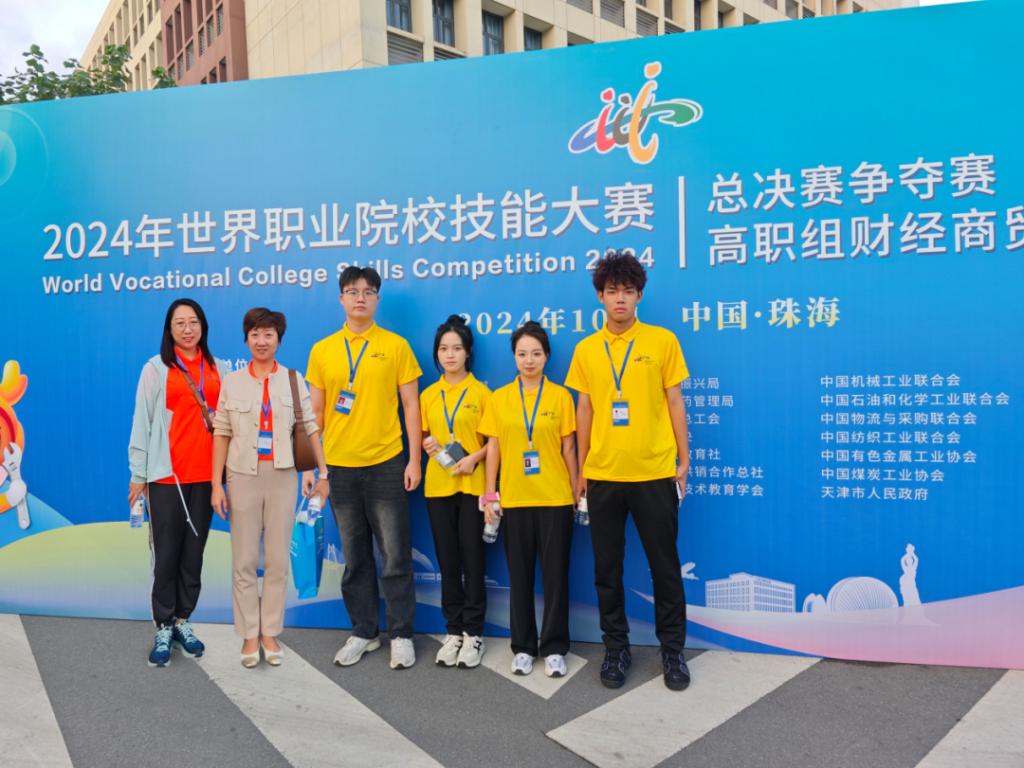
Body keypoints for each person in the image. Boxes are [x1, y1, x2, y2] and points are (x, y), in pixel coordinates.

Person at [564, 250, 692, 691]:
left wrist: (684, 461)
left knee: (665, 567)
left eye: (628, 291)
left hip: (654, 473)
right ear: (600, 296)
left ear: (640, 295)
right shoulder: (586, 349)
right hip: (603, 475)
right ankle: (615, 649)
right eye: (612, 291)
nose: (620, 299)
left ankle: (672, 651)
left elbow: (675, 401)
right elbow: (584, 409)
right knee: (607, 570)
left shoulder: (662, 341)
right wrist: (582, 470)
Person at [305, 266, 423, 670]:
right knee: (355, 557)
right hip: (339, 467)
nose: (360, 298)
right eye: (353, 291)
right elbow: (316, 413)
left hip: (387, 462)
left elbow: (411, 405)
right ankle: (364, 631)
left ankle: (402, 634)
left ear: (377, 299)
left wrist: (414, 459)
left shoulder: (396, 346)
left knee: (395, 555)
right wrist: (311, 467)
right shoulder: (323, 350)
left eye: (368, 291)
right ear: (341, 298)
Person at [211, 308, 329, 668]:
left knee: (277, 560)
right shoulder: (232, 382)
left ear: (278, 339)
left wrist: (322, 473)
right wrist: (216, 484)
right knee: (244, 560)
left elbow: (311, 428)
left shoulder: (293, 379)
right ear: (246, 339)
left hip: (283, 476)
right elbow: (221, 433)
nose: (262, 341)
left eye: (269, 334)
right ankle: (249, 634)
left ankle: (270, 632)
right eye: (255, 334)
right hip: (241, 476)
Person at [128, 298, 228, 668]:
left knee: (193, 554)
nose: (188, 329)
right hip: (166, 477)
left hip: (206, 477)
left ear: (203, 326)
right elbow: (142, 422)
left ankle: (183, 619)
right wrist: (139, 475)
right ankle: (163, 624)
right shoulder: (156, 369)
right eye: (180, 323)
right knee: (166, 554)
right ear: (169, 330)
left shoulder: (217, 368)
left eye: (193, 322)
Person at [479, 321, 578, 678]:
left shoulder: (561, 397)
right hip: (515, 499)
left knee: (555, 577)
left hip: (555, 498)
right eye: (522, 354)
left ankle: (554, 648)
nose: (529, 360)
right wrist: (490, 493)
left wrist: (577, 488)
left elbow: (569, 448)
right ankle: (522, 647)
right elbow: (493, 448)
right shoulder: (500, 398)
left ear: (546, 356)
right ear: (514, 357)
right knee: (519, 577)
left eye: (536, 353)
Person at [420, 315, 491, 668]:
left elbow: (495, 442)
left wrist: (475, 458)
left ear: (468, 353)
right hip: (439, 486)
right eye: (444, 349)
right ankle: (454, 631)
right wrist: (428, 445)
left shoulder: (482, 393)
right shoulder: (428, 395)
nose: (450, 355)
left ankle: (474, 633)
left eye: (457, 348)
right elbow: (424, 436)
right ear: (437, 353)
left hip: (473, 485)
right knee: (448, 561)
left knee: (473, 560)